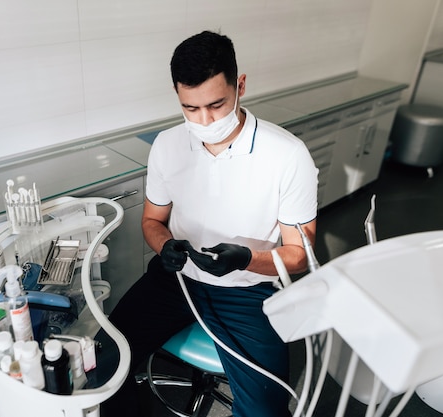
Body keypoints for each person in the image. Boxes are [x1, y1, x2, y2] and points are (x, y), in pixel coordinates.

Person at [101, 30, 318, 417]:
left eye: (217, 105)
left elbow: (299, 256)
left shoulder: (287, 156)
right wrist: (164, 246)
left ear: (241, 86)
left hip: (246, 291)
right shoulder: (167, 146)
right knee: (104, 365)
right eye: (190, 108)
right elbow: (153, 220)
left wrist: (245, 259)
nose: (204, 120)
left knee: (265, 412)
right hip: (177, 280)